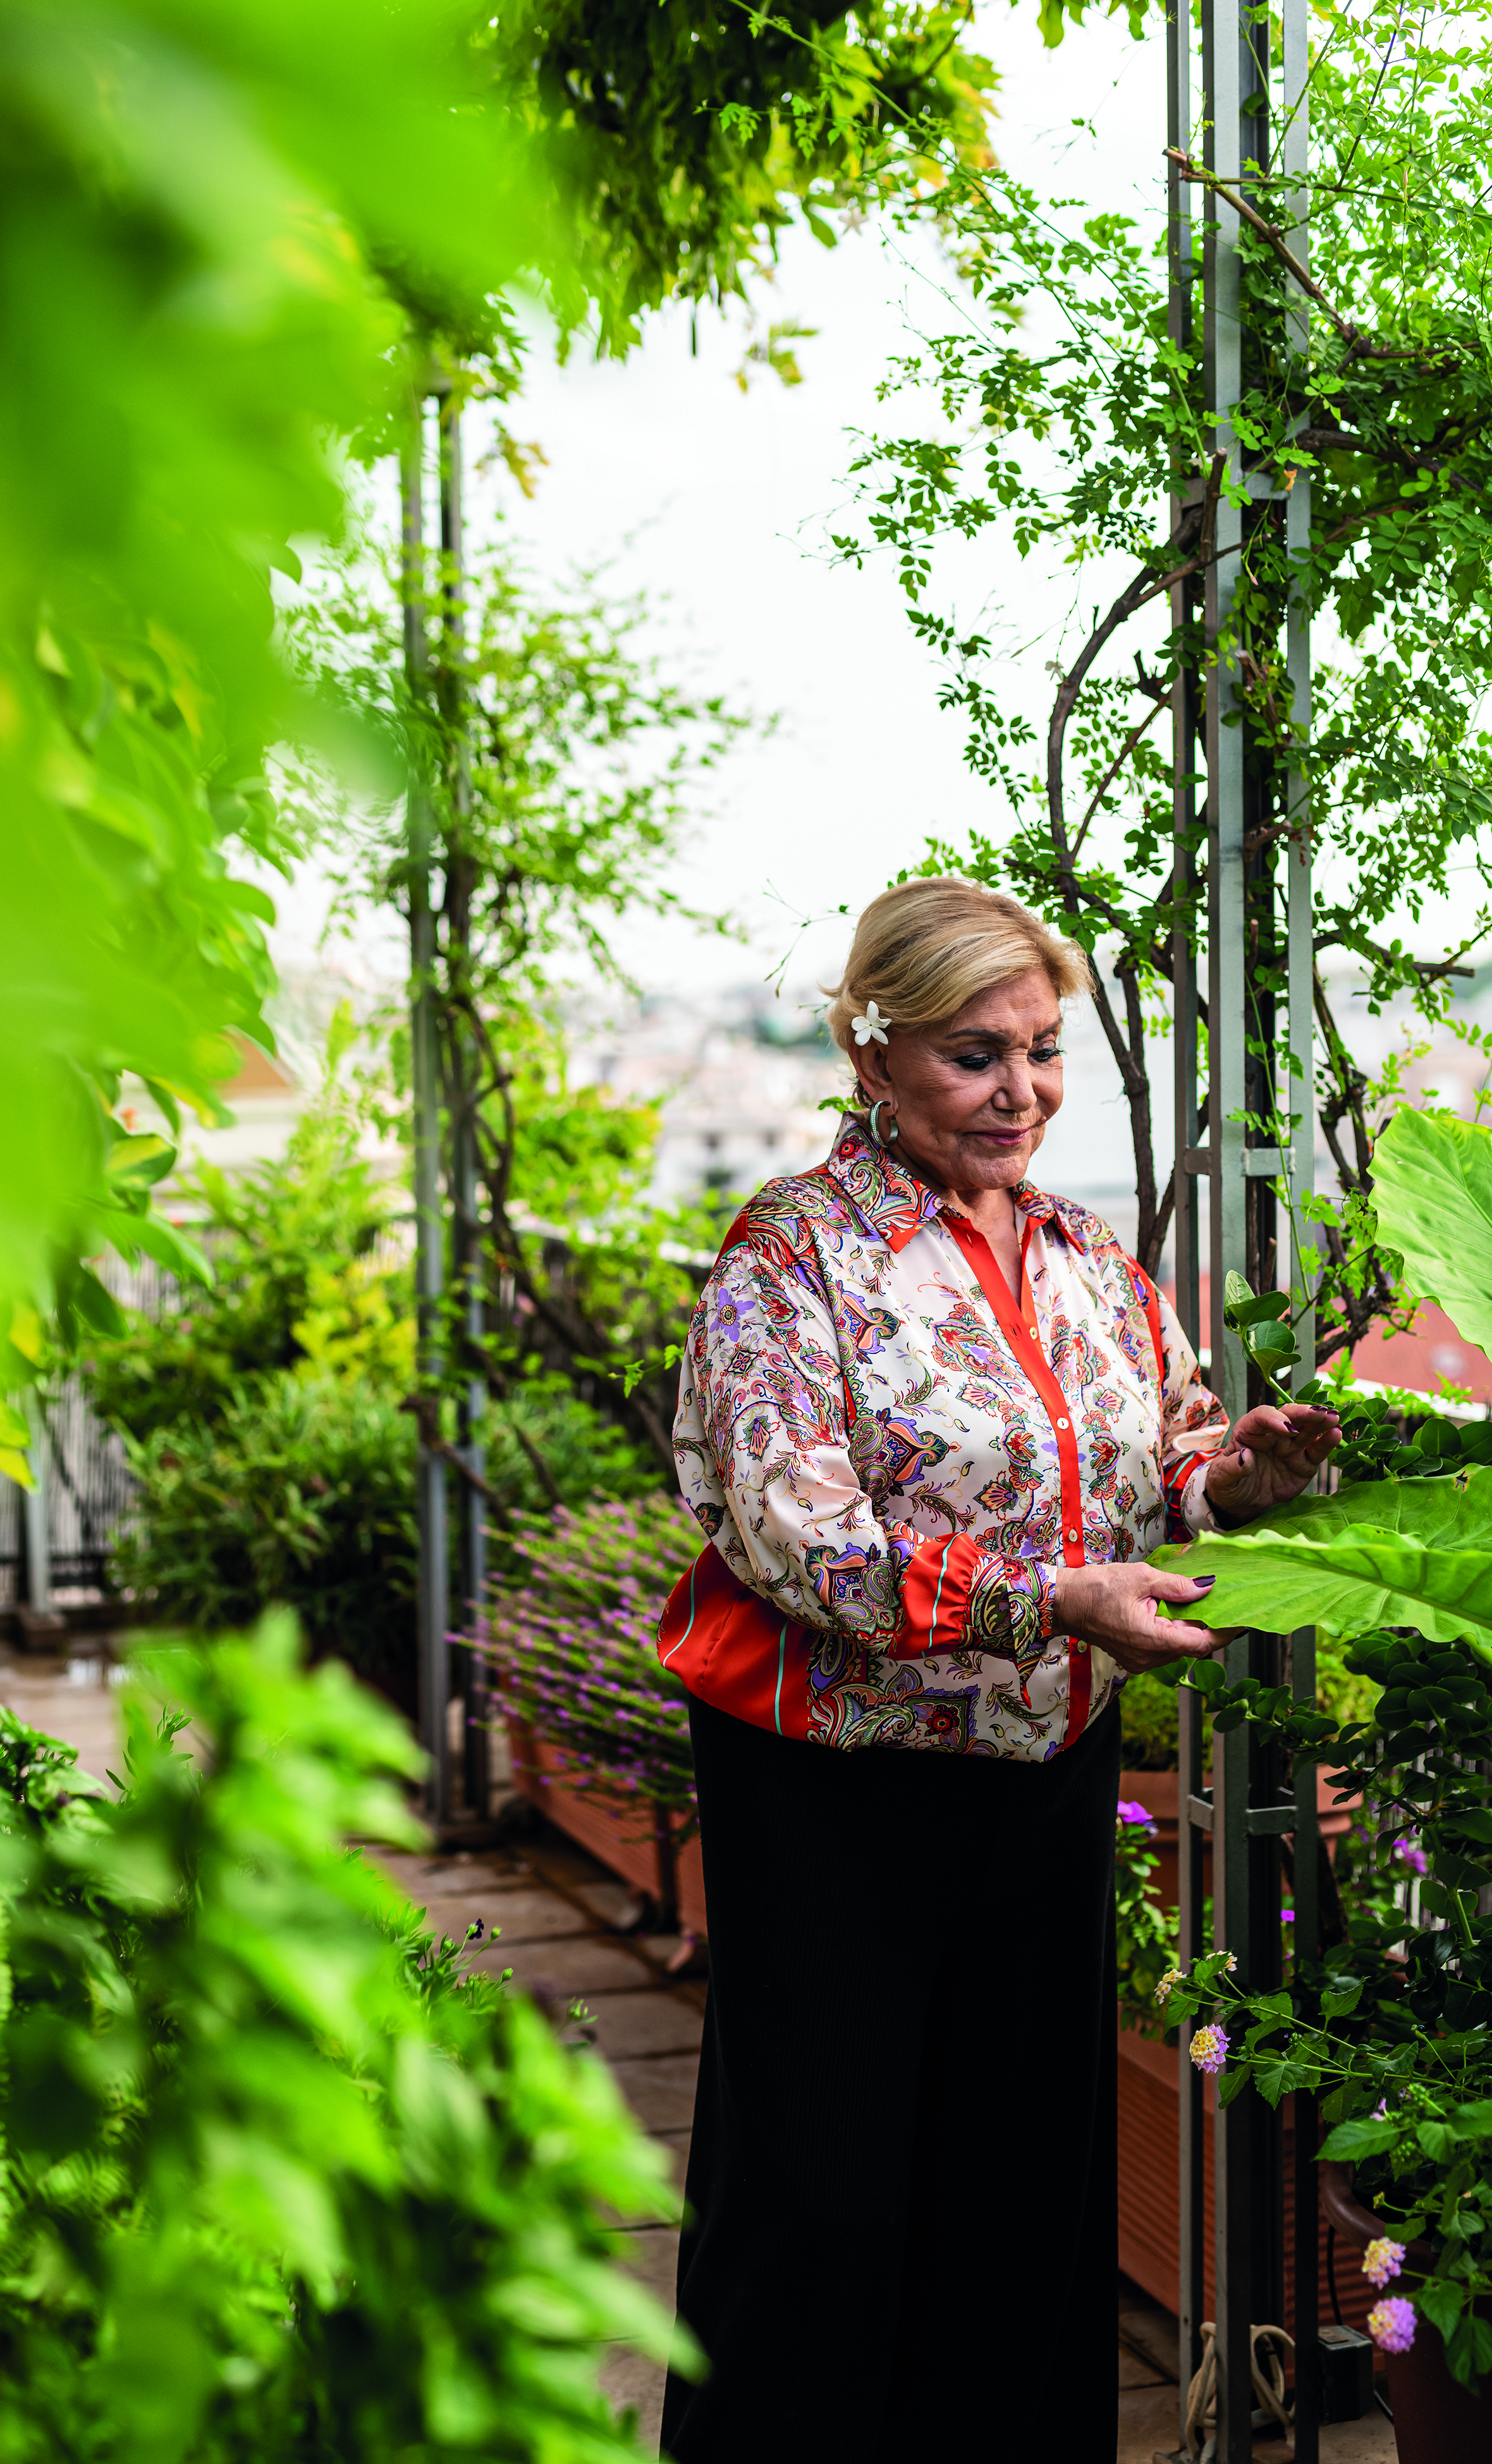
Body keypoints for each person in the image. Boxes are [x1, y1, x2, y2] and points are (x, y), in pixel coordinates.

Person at [656, 877, 1340, 2464]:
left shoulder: (1088, 1251)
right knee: (819, 2195)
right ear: (872, 1051)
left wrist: (1238, 1469)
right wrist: (1051, 1602)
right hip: (833, 1787)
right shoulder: (791, 1253)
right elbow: (790, 1535)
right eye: (978, 1055)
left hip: (1041, 1775)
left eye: (1042, 1051)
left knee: (1025, 2190)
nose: (1022, 1090)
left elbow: (1150, 1458)